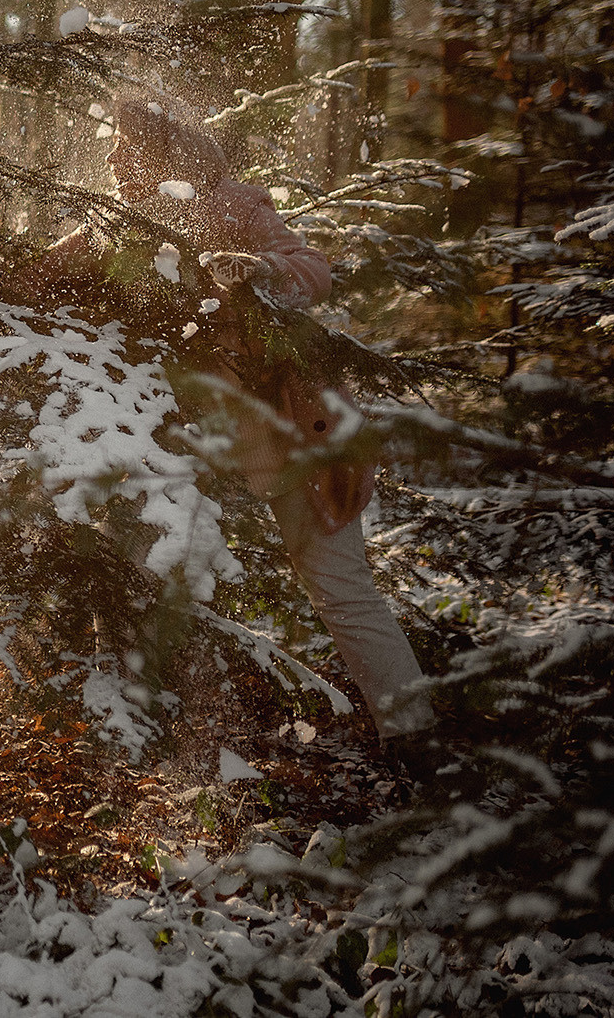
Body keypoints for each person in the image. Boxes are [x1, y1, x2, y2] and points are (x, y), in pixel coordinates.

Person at [56, 98, 435, 746]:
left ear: (158, 154)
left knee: (340, 584)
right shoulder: (111, 224)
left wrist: (261, 270)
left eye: (124, 144)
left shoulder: (230, 206)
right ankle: (138, 737)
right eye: (111, 143)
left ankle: (417, 736)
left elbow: (313, 268)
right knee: (140, 567)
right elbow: (35, 274)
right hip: (184, 444)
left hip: (293, 430)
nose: (113, 156)